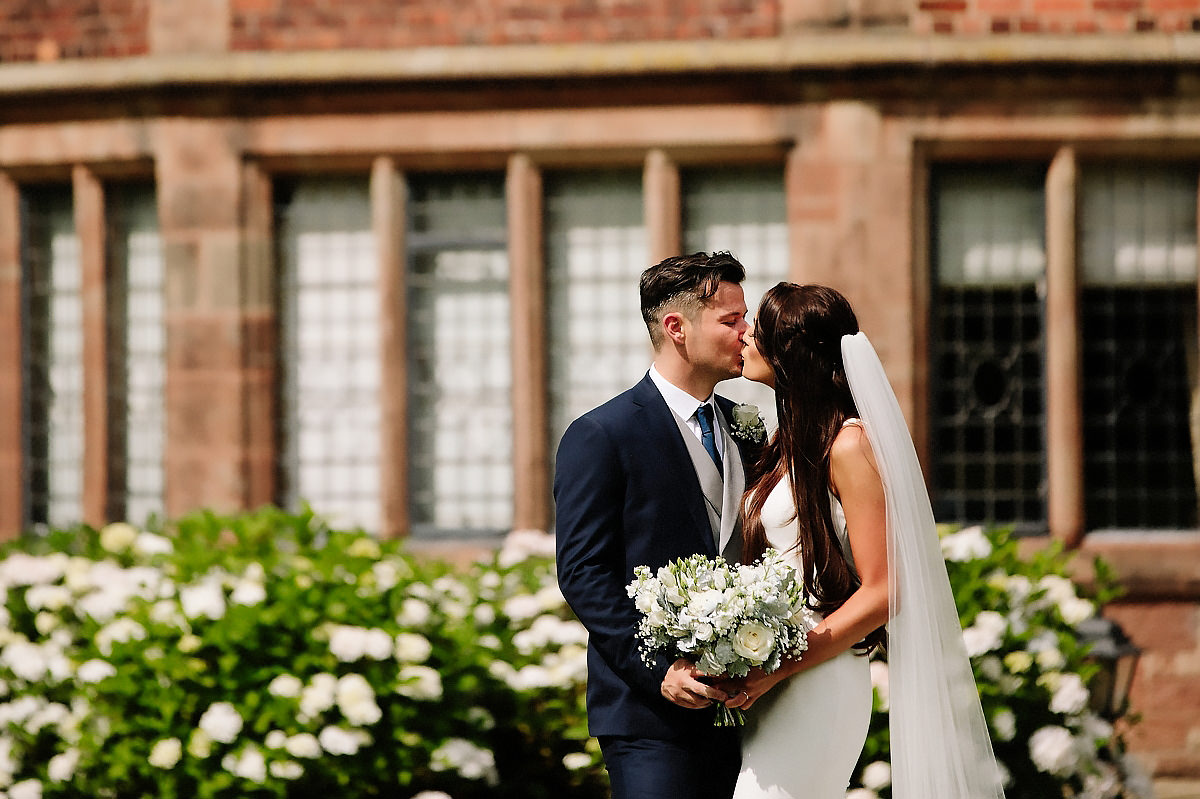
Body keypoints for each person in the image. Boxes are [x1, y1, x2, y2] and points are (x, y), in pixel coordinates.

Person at [722, 283, 1006, 799]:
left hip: (817, 679)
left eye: (758, 331)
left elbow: (886, 591)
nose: (745, 339)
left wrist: (780, 666)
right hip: (770, 681)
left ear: (792, 356)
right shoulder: (784, 443)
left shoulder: (850, 446)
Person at [554, 252, 753, 799]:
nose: (747, 331)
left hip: (747, 710)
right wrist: (661, 670)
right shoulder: (601, 434)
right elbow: (582, 572)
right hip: (647, 718)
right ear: (677, 328)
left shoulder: (746, 428)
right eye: (731, 320)